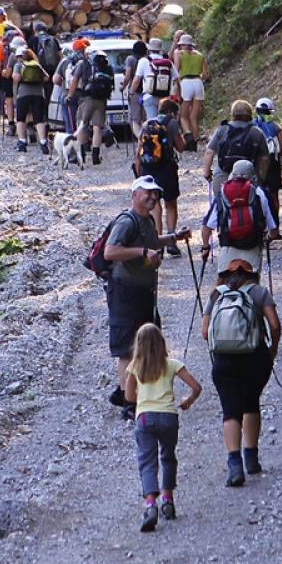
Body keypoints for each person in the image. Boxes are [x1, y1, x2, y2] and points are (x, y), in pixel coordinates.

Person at [103, 177, 191, 424]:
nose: (153, 197)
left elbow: (151, 243)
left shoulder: (148, 220)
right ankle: (128, 402)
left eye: (156, 194)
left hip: (143, 291)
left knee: (147, 341)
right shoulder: (126, 221)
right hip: (124, 290)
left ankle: (126, 392)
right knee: (126, 349)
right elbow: (110, 251)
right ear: (135, 194)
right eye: (149, 193)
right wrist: (143, 253)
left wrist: (173, 237)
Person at [201, 259, 281, 487]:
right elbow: (274, 325)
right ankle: (252, 458)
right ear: (251, 274)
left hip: (224, 361)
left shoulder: (217, 294)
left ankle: (235, 465)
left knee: (230, 410)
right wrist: (271, 351)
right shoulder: (259, 292)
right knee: (251, 403)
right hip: (255, 357)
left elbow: (205, 332)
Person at [124, 323, 201, 532]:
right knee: (168, 457)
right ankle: (168, 500)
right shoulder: (172, 364)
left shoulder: (134, 367)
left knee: (147, 461)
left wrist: (144, 397)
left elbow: (129, 397)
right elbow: (196, 387)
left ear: (138, 345)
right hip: (169, 417)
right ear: (162, 343)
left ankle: (150, 505)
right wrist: (188, 400)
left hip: (145, 419)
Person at [201, 157, 278, 275]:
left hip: (228, 247)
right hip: (252, 247)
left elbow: (207, 227)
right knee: (251, 287)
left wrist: (206, 247)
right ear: (253, 176)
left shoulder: (223, 193)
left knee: (225, 286)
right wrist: (269, 237)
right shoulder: (261, 193)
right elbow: (274, 228)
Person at [133, 98, 186, 254]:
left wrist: (138, 174)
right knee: (171, 203)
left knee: (154, 205)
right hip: (166, 168)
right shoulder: (172, 123)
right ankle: (170, 239)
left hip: (148, 169)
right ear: (171, 112)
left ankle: (157, 242)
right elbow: (181, 147)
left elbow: (139, 152)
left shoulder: (147, 124)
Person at [203, 100, 270, 187]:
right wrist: (262, 177)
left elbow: (209, 152)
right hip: (249, 176)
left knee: (220, 198)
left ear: (233, 113)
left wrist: (207, 172)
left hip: (223, 174)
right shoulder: (256, 132)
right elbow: (265, 159)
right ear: (250, 113)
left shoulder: (222, 129)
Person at [253, 98, 282, 238]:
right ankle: (275, 228)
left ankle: (261, 227)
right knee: (274, 196)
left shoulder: (252, 126)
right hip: (273, 164)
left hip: (257, 165)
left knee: (257, 195)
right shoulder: (275, 127)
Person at [74, 47, 114, 165]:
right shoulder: (107, 66)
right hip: (102, 100)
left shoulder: (84, 64)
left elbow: (75, 79)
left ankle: (81, 154)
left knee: (81, 124)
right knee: (97, 127)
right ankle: (95, 156)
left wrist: (70, 95)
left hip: (86, 98)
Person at [12, 45, 50, 154]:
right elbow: (46, 77)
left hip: (23, 94)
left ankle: (22, 142)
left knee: (21, 118)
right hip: (38, 94)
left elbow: (16, 77)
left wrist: (24, 77)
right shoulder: (37, 65)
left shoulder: (19, 65)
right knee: (39, 119)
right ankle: (43, 143)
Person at [172, 32, 208, 148]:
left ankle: (188, 136)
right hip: (198, 82)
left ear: (182, 45)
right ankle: (195, 139)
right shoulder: (200, 55)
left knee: (184, 115)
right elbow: (205, 74)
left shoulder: (179, 54)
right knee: (194, 116)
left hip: (185, 82)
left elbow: (176, 71)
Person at [134, 37, 175, 119]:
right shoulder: (167, 61)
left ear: (149, 49)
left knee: (153, 122)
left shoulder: (143, 61)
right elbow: (176, 78)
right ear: (160, 49)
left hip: (149, 96)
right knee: (164, 122)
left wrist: (131, 92)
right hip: (164, 97)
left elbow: (136, 80)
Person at [122, 39, 149, 135]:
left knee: (134, 119)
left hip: (135, 91)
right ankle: (146, 138)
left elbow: (128, 76)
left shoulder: (130, 59)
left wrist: (123, 87)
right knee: (145, 118)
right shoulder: (147, 60)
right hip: (147, 90)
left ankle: (140, 140)